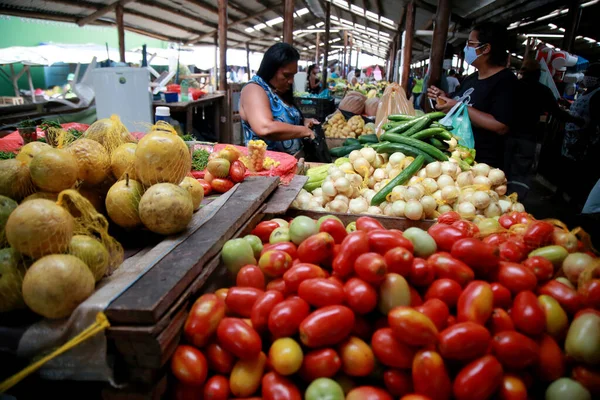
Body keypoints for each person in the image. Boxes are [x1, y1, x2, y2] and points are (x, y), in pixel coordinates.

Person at [428, 23, 518, 168]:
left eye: (470, 43)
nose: (466, 48)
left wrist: (458, 106)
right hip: (458, 156)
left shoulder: (506, 81)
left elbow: (500, 125)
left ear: (486, 48)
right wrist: (443, 97)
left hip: (483, 163)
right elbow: (458, 102)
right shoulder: (472, 78)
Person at [506, 59, 583, 201]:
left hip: (506, 135)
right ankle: (515, 203)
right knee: (521, 173)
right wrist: (577, 121)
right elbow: (557, 112)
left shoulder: (512, 86)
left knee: (503, 169)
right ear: (537, 74)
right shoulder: (543, 90)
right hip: (528, 137)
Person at [239, 43, 318, 155]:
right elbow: (265, 127)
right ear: (271, 69)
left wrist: (303, 121)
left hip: (292, 164)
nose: (291, 81)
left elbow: (283, 118)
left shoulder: (279, 89)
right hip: (267, 168)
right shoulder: (254, 89)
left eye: (293, 75)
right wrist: (303, 131)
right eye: (286, 75)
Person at [560, 63, 600, 206]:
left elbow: (593, 121)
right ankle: (560, 195)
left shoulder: (597, 94)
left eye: (590, 74)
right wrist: (568, 105)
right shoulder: (586, 91)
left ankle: (574, 201)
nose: (586, 77)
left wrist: (585, 138)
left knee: (578, 171)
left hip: (582, 139)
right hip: (571, 136)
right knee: (566, 167)